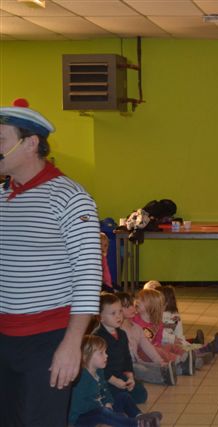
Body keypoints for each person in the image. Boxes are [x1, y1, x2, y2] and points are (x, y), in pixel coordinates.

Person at [0, 99, 102, 426]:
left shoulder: (70, 197)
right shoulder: (3, 196)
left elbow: (88, 275)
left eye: (0, 139)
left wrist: (72, 345)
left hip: (47, 340)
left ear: (30, 143)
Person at [69, 335, 162, 427]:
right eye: (101, 353)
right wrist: (101, 405)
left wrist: (108, 402)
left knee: (123, 396)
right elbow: (79, 406)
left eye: (105, 352)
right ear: (86, 356)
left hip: (102, 409)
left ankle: (140, 417)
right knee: (102, 413)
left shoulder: (99, 371)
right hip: (82, 418)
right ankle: (136, 424)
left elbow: (105, 390)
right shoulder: (81, 377)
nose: (106, 355)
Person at [94, 293, 148, 404]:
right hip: (105, 378)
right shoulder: (98, 337)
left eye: (120, 311)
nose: (118, 316)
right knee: (119, 396)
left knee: (141, 394)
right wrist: (114, 380)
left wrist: (130, 377)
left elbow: (127, 358)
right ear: (100, 317)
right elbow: (97, 368)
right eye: (113, 313)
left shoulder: (122, 334)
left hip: (120, 375)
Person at [116, 292, 177, 386]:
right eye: (127, 307)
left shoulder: (137, 328)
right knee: (141, 369)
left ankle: (175, 368)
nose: (132, 308)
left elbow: (147, 346)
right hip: (124, 365)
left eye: (132, 305)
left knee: (155, 365)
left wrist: (160, 362)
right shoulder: (118, 329)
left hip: (137, 360)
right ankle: (163, 378)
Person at [133, 288, 194, 375]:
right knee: (160, 351)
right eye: (137, 298)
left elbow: (158, 340)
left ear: (152, 306)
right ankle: (179, 361)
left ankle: (187, 357)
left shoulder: (157, 323)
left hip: (154, 350)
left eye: (142, 300)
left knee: (171, 346)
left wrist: (159, 347)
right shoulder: (134, 320)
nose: (137, 301)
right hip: (141, 352)